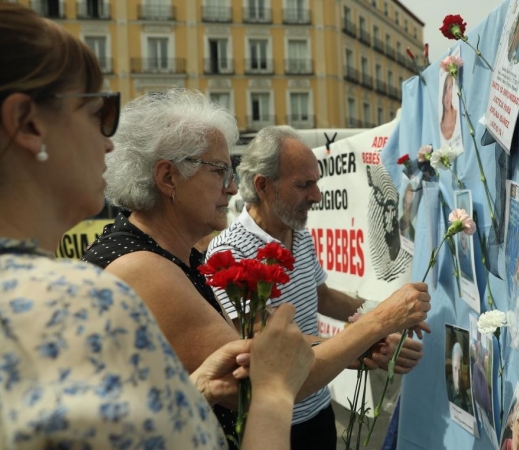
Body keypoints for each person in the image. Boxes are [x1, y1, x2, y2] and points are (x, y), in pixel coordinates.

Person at [0, 4, 312, 448]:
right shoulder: (83, 300)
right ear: (27, 123)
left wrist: (195, 388)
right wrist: (275, 393)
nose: (108, 141)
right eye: (100, 111)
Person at [82, 102, 431, 448]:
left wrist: (359, 343)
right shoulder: (143, 268)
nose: (232, 188)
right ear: (168, 177)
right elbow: (264, 377)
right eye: (219, 171)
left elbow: (265, 351)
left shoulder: (175, 255)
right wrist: (379, 321)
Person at [207, 125, 430, 448]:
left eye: (316, 182)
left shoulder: (296, 231)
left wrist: (389, 314)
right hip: (272, 425)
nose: (317, 195)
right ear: (263, 185)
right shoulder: (229, 253)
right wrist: (371, 339)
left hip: (318, 408)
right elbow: (267, 338)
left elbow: (322, 296)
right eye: (304, 184)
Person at [447, 341, 474, 413]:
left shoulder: (461, 381)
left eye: (459, 370)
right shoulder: (448, 382)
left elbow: (469, 404)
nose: (458, 374)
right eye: (455, 369)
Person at [440, 75, 458, 142]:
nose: (447, 95)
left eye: (450, 87)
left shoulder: (458, 115)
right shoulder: (440, 124)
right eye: (445, 88)